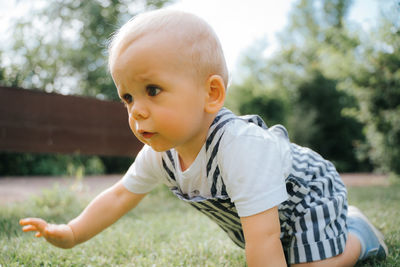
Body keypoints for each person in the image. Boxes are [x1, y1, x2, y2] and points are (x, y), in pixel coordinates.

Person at [20, 9, 388, 266]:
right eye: (128, 97)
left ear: (211, 94)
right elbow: (119, 196)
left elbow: (262, 238)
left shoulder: (239, 147)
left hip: (307, 194)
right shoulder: (159, 153)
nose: (136, 110)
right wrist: (70, 231)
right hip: (267, 215)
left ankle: (359, 234)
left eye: (153, 89)